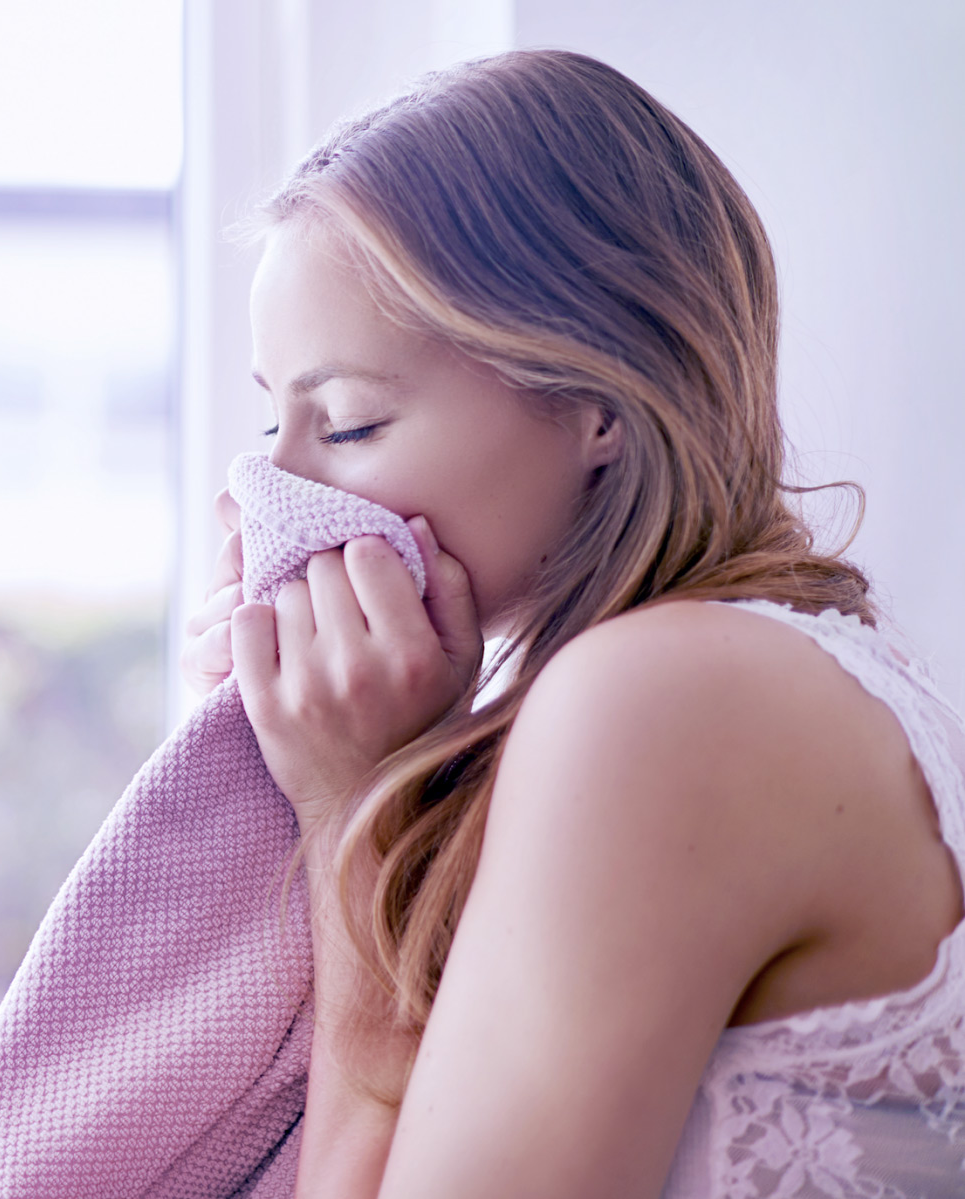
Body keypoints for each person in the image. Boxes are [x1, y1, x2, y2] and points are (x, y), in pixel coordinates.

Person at [178, 49, 965, 1198]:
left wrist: (349, 804)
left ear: (597, 402)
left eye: (346, 422)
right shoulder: (759, 662)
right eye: (271, 428)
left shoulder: (664, 698)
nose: (270, 494)